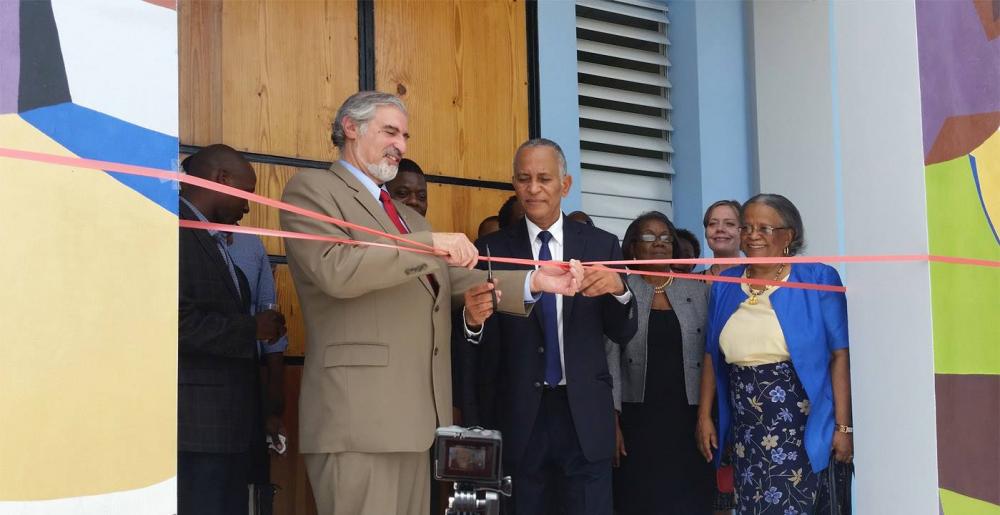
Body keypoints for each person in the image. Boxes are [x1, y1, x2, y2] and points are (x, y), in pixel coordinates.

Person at [279, 92, 580, 515]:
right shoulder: (313, 189)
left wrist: (533, 280)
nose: (400, 145)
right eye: (390, 131)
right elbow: (336, 270)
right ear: (350, 127)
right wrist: (427, 244)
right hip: (359, 420)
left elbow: (452, 279)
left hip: (414, 421)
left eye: (404, 135)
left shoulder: (409, 218)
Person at [475, 138, 638, 515]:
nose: (533, 189)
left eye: (544, 178)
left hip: (583, 411)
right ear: (514, 184)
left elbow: (623, 332)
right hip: (519, 412)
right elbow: (479, 337)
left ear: (564, 185)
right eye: (524, 178)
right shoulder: (490, 249)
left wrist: (619, 291)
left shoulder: (601, 244)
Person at [696, 194, 854, 514]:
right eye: (747, 227)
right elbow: (712, 355)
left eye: (764, 228)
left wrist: (843, 427)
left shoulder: (817, 278)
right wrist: (704, 416)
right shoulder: (726, 284)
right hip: (746, 429)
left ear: (788, 235)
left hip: (800, 426)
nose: (752, 235)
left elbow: (840, 355)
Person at [178, 144, 286, 515]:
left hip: (227, 428)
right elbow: (174, 322)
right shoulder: (175, 230)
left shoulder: (210, 236)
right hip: (197, 428)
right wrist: (250, 328)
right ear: (220, 179)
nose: (246, 207)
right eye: (245, 193)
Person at [611, 211, 714, 515]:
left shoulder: (698, 289)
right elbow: (609, 358)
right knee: (638, 499)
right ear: (632, 247)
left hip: (689, 417)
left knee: (690, 500)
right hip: (637, 419)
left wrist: (708, 415)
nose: (659, 243)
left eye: (665, 237)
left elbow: (711, 353)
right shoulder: (620, 288)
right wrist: (612, 420)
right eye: (648, 237)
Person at [226, 230, 289, 514]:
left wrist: (274, 410)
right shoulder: (171, 230)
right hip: (185, 384)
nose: (247, 206)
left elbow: (272, 332)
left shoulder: (250, 244)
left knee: (245, 486)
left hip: (245, 384)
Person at [701, 200, 742, 280]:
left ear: (743, 231)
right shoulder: (691, 283)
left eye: (729, 224)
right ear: (706, 232)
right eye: (713, 224)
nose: (720, 229)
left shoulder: (759, 280)